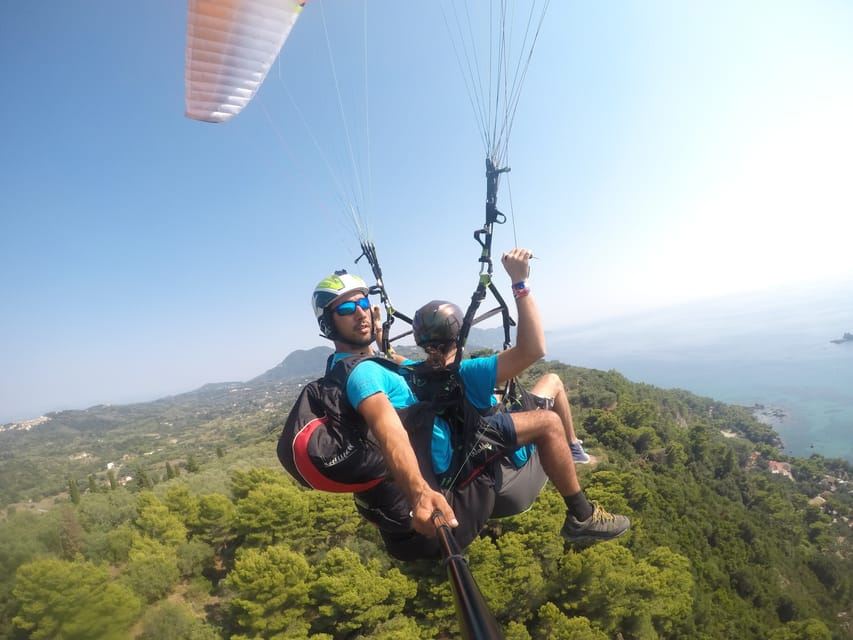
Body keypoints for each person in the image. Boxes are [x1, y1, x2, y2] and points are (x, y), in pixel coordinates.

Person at [400, 248, 629, 542]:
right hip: (511, 482)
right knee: (549, 410)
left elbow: (393, 358)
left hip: (471, 482)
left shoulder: (410, 373)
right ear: (459, 334)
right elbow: (534, 349)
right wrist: (520, 283)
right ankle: (582, 514)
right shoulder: (470, 371)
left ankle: (573, 448)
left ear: (419, 340)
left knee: (547, 383)